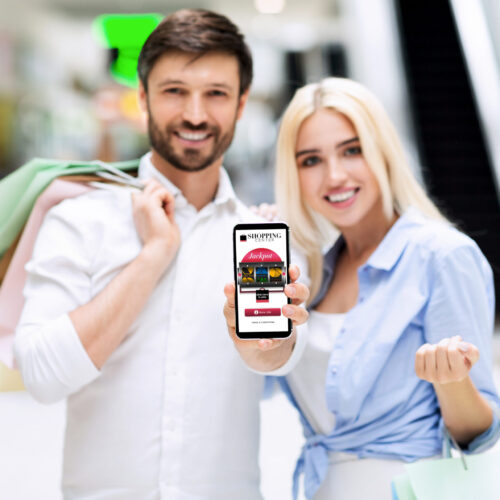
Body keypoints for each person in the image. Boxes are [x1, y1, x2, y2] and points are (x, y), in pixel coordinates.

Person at [13, 9, 309, 500]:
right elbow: (42, 377)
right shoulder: (80, 219)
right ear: (143, 98)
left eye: (216, 93)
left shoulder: (261, 234)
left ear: (240, 105)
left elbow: (278, 362)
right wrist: (153, 256)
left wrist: (262, 345)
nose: (195, 114)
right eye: (175, 91)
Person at [224, 77, 500, 499]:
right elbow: (266, 380)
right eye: (311, 160)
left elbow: (479, 433)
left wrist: (450, 380)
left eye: (352, 150)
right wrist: (281, 262)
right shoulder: (314, 274)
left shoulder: (441, 256)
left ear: (382, 150)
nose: (335, 176)